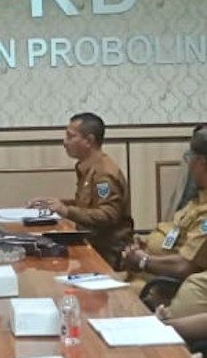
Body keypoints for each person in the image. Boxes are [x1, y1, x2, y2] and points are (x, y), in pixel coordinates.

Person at [28, 112, 133, 269]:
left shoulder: (104, 175)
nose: (65, 142)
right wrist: (55, 203)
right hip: (90, 243)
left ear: (89, 141)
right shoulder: (87, 167)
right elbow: (88, 205)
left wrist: (66, 211)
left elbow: (108, 215)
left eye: (71, 136)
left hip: (106, 254)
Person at [121, 125, 207, 287]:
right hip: (147, 274)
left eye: (190, 158)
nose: (189, 165)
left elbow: (185, 266)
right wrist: (147, 242)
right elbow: (176, 231)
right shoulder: (198, 198)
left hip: (162, 286)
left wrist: (143, 260)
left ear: (202, 163)